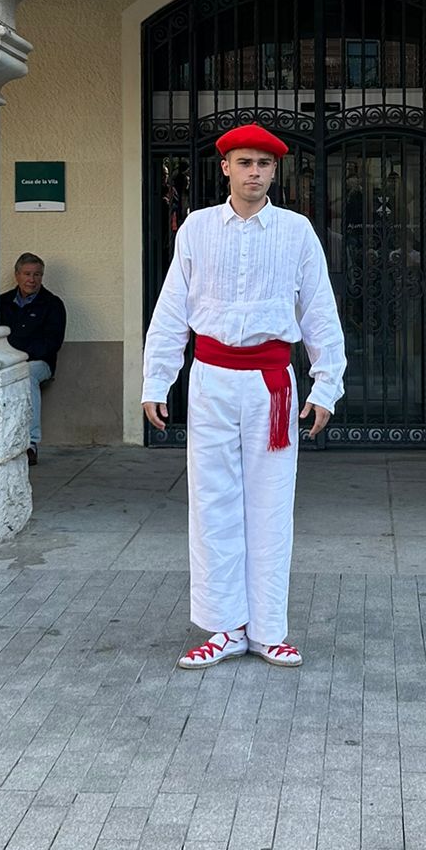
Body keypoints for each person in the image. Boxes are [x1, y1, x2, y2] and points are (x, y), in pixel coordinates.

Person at [142, 123, 346, 672]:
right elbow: (172, 308)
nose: (255, 172)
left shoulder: (297, 231)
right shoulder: (197, 229)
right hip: (210, 378)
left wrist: (327, 382)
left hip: (271, 384)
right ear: (225, 167)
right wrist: (156, 380)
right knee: (212, 505)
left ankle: (268, 630)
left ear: (275, 172)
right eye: (245, 162)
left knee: (271, 505)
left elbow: (320, 313)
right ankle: (223, 628)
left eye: (264, 163)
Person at [0, 252, 66, 465]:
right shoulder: (2, 302)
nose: (32, 279)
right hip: (6, 362)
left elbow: (51, 343)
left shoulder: (52, 304)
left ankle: (30, 443)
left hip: (39, 363)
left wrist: (20, 355)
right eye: (27, 274)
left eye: (37, 274)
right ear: (17, 275)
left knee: (26, 376)